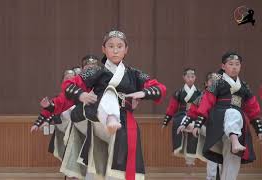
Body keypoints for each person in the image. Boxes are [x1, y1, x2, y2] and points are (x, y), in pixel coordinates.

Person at [59, 30, 166, 180]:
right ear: (103, 49)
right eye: (111, 46)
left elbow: (160, 88)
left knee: (115, 171)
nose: (115, 50)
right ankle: (110, 116)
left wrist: (143, 93)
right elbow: (69, 84)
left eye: (119, 46)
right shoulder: (96, 71)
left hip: (123, 122)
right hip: (98, 119)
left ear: (126, 49)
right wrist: (81, 94)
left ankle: (113, 119)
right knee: (109, 92)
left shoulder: (134, 74)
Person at [192, 52, 262, 180]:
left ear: (241, 66)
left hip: (238, 123)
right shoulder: (217, 83)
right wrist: (198, 124)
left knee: (233, 160)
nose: (234, 67)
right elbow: (206, 102)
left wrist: (259, 130)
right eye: (231, 64)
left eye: (237, 64)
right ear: (223, 66)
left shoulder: (244, 86)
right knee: (232, 112)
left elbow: (253, 109)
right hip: (218, 121)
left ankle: (234, 141)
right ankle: (234, 140)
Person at [162, 68, 201, 166]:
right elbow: (172, 107)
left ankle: (190, 158)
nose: (190, 79)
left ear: (195, 78)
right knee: (182, 123)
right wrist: (166, 121)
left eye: (192, 77)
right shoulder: (178, 93)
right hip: (182, 114)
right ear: (184, 77)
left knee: (194, 129)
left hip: (195, 115)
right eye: (188, 77)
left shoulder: (199, 93)